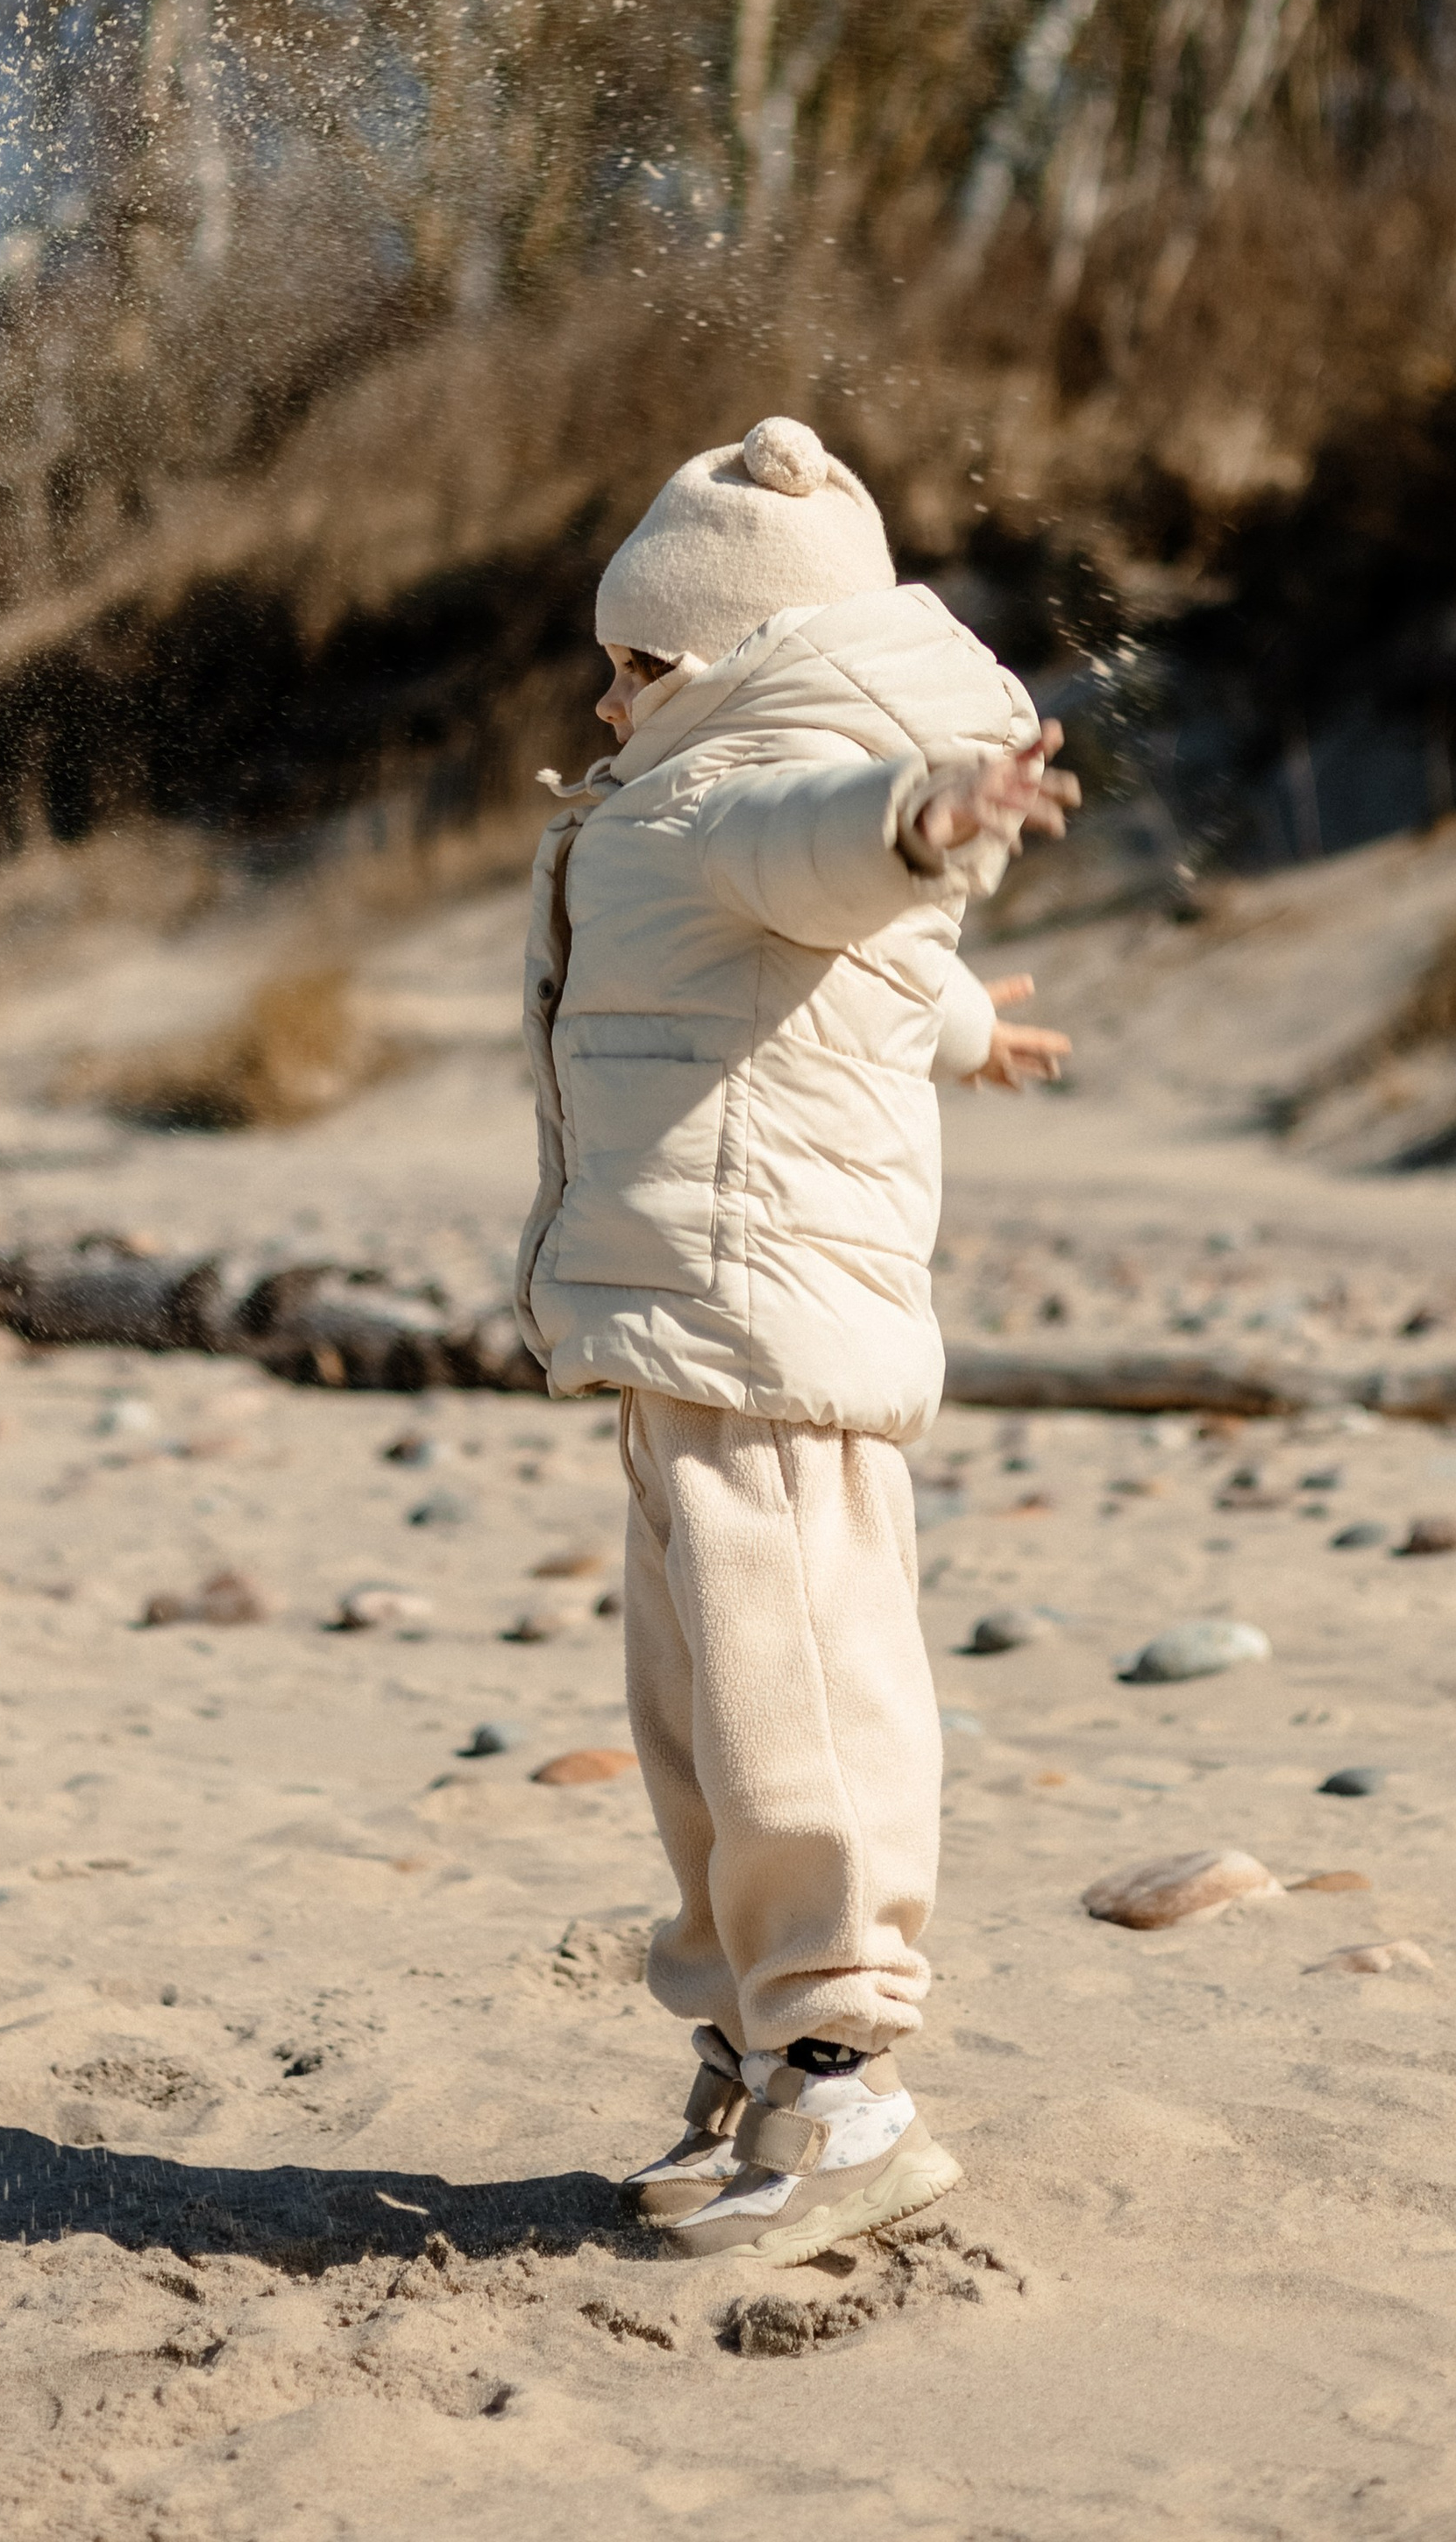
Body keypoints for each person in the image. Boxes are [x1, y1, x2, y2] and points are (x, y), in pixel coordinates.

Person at [515, 416, 1078, 2266]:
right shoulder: (685, 810)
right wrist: (962, 1029)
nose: (608, 701)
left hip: (769, 1333)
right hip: (690, 1335)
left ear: (735, 663)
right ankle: (754, 2052)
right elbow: (848, 964)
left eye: (640, 665)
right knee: (686, 1709)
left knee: (796, 1704)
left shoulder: (753, 794)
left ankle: (840, 2076)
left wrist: (926, 823)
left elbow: (829, 859)